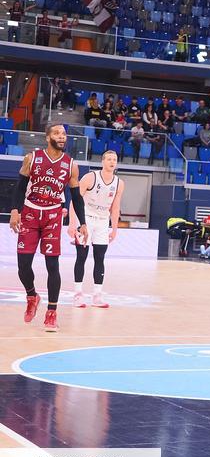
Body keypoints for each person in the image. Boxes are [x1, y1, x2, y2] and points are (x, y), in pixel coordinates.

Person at [8, 124, 89, 332]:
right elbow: (19, 187)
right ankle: (32, 295)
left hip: (53, 215)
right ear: (47, 137)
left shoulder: (71, 165)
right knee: (23, 265)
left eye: (63, 134)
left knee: (52, 265)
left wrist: (82, 222)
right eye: (57, 133)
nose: (61, 137)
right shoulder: (31, 158)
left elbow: (76, 197)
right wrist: (15, 211)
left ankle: (52, 312)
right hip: (30, 213)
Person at [68, 149, 123, 310]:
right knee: (82, 257)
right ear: (102, 161)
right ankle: (78, 295)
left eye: (114, 159)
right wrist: (72, 224)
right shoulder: (90, 177)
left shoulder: (119, 183)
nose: (112, 162)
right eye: (109, 159)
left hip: (102, 222)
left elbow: (115, 207)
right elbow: (75, 201)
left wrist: (114, 229)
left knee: (100, 258)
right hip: (85, 220)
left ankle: (97, 296)